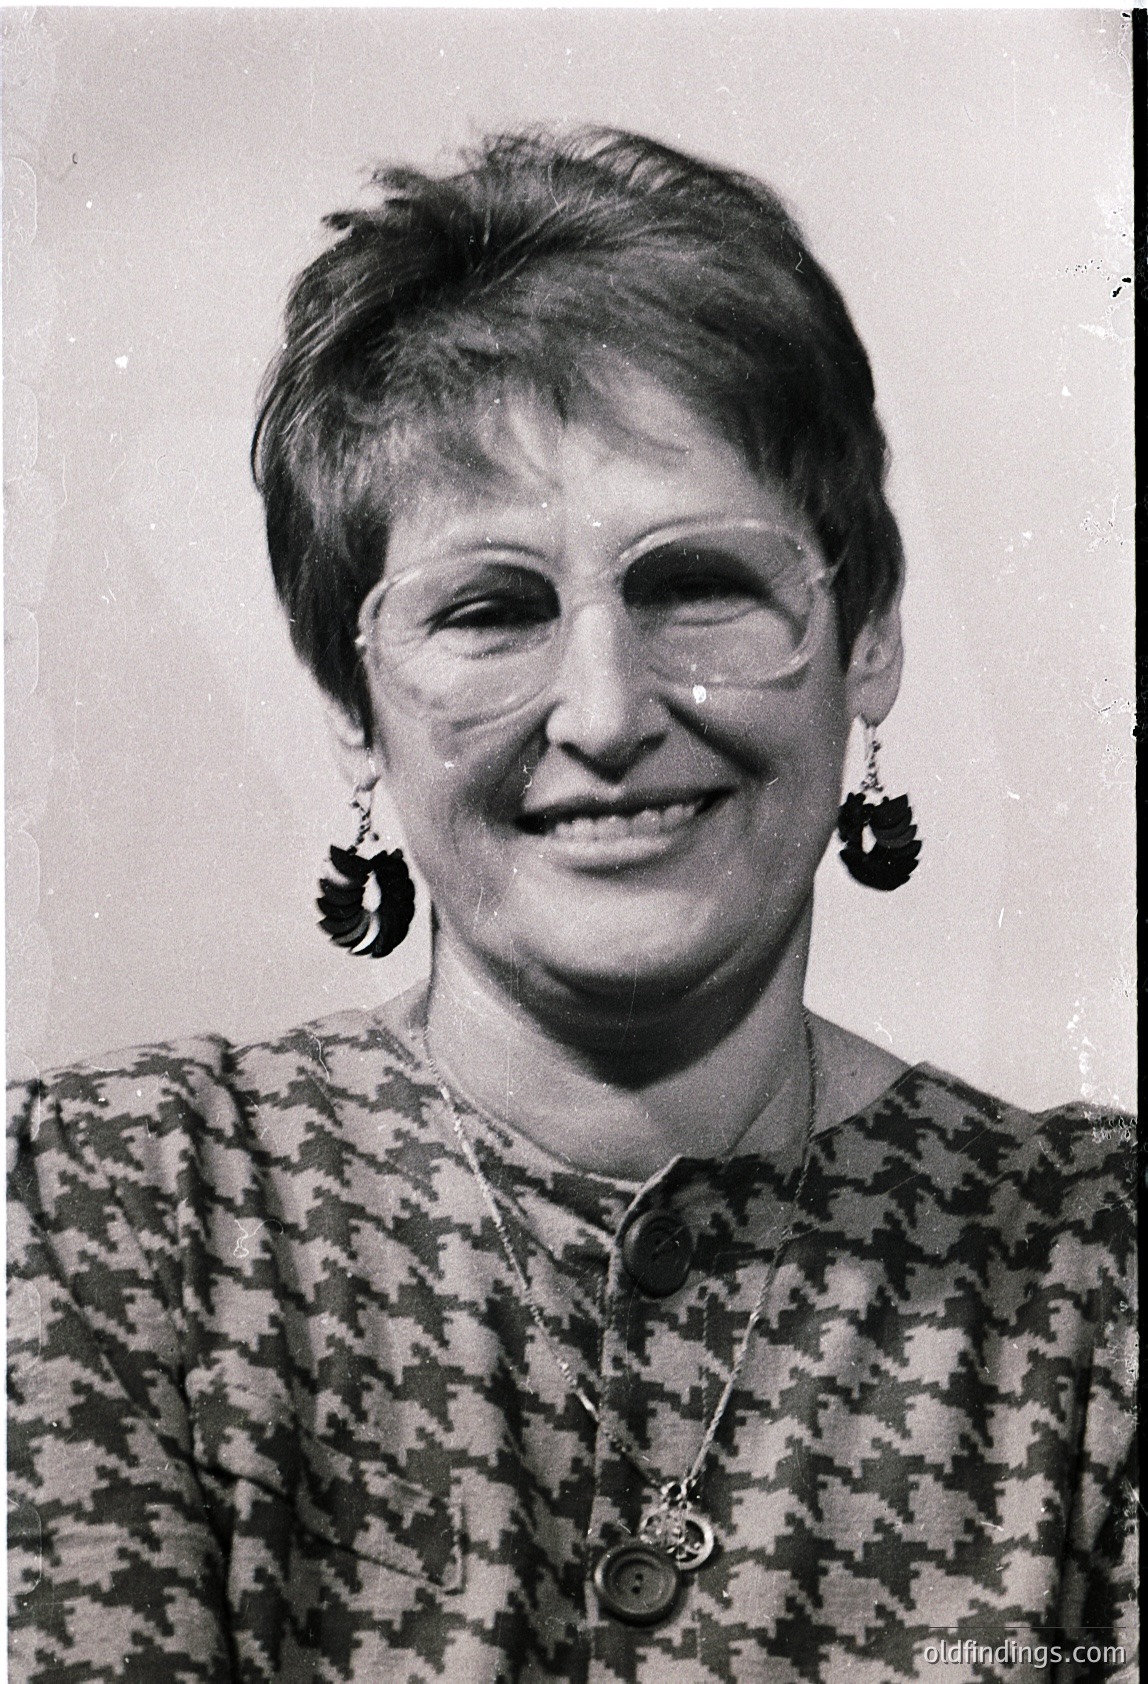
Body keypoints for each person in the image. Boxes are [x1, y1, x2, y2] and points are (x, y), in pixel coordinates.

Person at [7, 129, 1135, 1684]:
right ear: (356, 704)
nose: (603, 713)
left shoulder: (1098, 1284)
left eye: (696, 586)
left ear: (866, 635)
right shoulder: (108, 1219)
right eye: (491, 608)